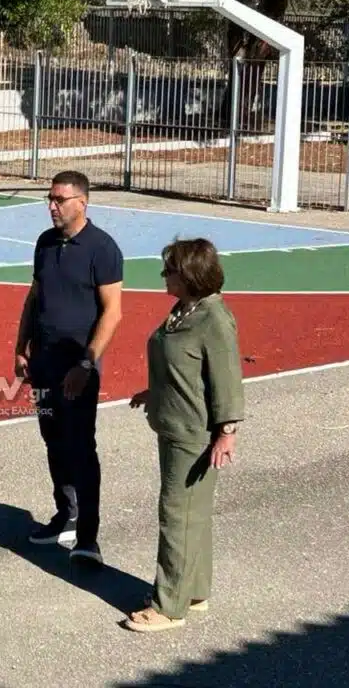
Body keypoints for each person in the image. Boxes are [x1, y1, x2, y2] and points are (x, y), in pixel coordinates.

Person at [123, 237, 245, 633]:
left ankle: (168, 606)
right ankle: (193, 591)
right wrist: (154, 391)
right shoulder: (184, 310)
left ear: (190, 275)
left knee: (177, 515)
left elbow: (226, 378)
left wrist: (227, 431)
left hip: (193, 434)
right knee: (195, 514)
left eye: (170, 270)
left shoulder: (213, 319)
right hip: (174, 423)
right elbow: (184, 366)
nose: (163, 275)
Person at [13, 170, 123, 563]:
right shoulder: (45, 243)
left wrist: (86, 362)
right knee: (53, 440)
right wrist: (20, 347)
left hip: (77, 368)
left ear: (82, 202)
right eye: (50, 198)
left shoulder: (102, 248)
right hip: (43, 363)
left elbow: (112, 312)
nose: (52, 206)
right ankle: (66, 512)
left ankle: (88, 538)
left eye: (60, 199)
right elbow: (34, 297)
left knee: (81, 447)